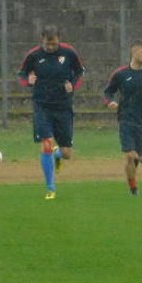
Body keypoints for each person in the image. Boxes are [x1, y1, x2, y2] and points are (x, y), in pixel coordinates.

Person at [17, 24, 86, 200]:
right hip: (42, 106)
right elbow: (21, 75)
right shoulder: (34, 55)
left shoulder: (69, 53)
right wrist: (29, 80)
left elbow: (80, 72)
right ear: (42, 40)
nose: (51, 48)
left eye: (54, 44)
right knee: (46, 143)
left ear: (59, 40)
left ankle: (58, 155)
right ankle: (50, 187)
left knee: (67, 153)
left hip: (63, 107)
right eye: (48, 44)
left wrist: (72, 85)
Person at [102, 40, 142, 196]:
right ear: (133, 52)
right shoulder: (121, 74)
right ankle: (133, 188)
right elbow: (107, 92)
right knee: (131, 155)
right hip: (127, 120)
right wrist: (110, 102)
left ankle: (137, 165)